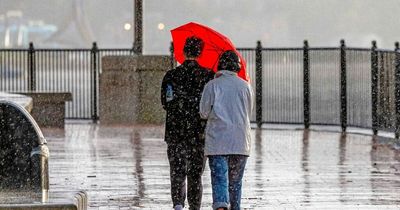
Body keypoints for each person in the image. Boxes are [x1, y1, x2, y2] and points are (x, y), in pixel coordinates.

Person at [161, 36, 215, 210]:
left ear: (183, 52)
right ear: (200, 53)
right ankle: (194, 206)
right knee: (195, 174)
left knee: (177, 171)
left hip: (175, 132)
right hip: (199, 133)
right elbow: (212, 105)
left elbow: (165, 103)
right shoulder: (208, 76)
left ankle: (177, 204)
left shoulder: (171, 75)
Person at [199, 50, 254, 210]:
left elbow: (203, 112)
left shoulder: (212, 86)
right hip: (240, 142)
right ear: (237, 67)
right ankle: (235, 206)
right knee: (235, 181)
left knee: (219, 179)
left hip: (218, 141)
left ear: (220, 66)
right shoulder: (246, 86)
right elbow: (248, 111)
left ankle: (221, 205)